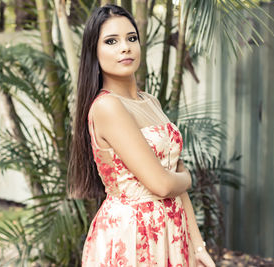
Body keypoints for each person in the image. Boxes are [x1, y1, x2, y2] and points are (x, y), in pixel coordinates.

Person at [67, 4, 216, 267]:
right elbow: (163, 184)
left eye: (131, 38)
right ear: (94, 51)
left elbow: (173, 180)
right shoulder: (107, 107)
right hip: (132, 235)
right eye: (111, 41)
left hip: (171, 230)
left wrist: (197, 244)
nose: (125, 47)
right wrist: (188, 177)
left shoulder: (151, 102)